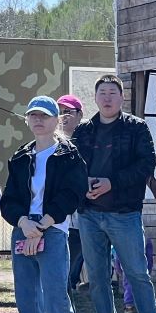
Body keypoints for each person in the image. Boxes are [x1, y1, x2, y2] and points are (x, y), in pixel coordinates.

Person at [1, 96, 88, 313]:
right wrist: (24, 223)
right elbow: (9, 200)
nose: (38, 120)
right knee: (27, 303)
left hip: (52, 231)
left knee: (57, 302)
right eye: (33, 115)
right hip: (24, 230)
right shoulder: (20, 157)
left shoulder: (69, 156)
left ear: (56, 121)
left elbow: (72, 193)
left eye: (45, 116)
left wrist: (46, 222)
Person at [71, 75, 156, 313]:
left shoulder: (136, 128)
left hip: (124, 213)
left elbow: (146, 164)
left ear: (121, 98)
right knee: (97, 276)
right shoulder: (84, 131)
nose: (107, 98)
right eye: (102, 93)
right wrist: (82, 184)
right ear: (95, 98)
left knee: (136, 271)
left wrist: (113, 182)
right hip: (89, 214)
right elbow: (72, 165)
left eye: (113, 93)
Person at [57, 95, 85, 291]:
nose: (64, 116)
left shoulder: (88, 141)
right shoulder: (51, 142)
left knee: (71, 267)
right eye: (59, 112)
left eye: (69, 112)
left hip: (83, 217)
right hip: (57, 218)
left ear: (79, 115)